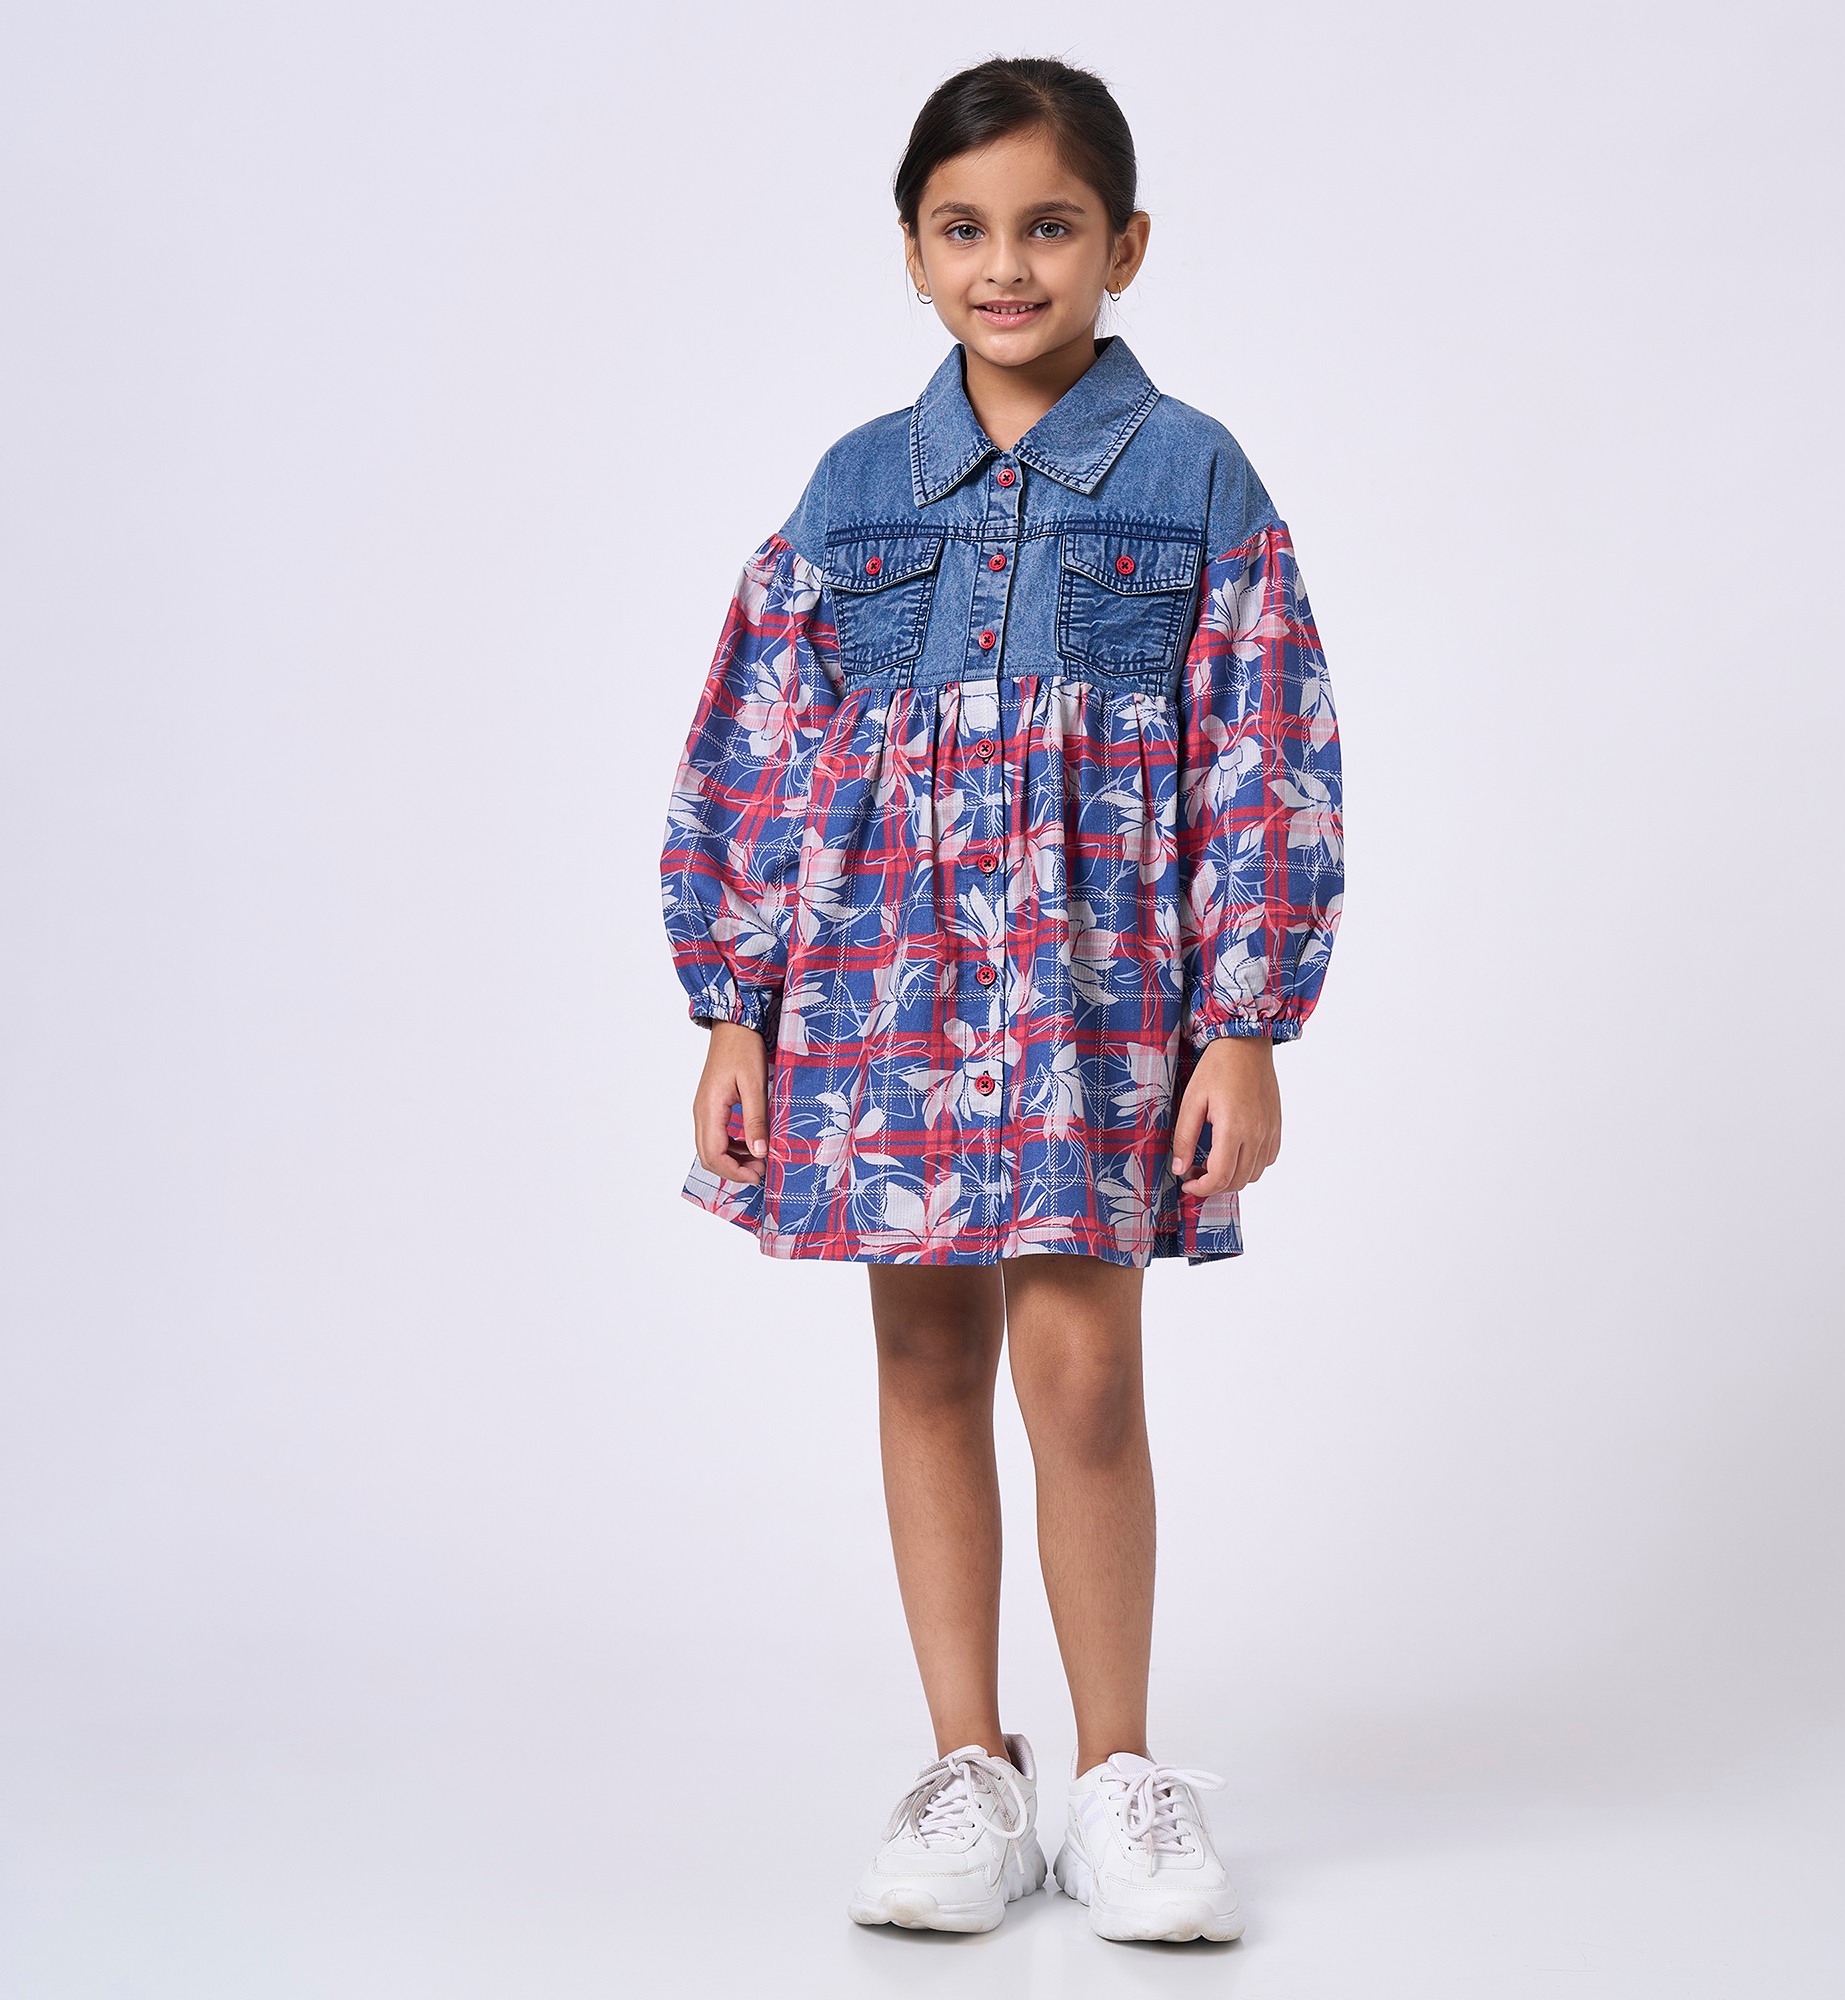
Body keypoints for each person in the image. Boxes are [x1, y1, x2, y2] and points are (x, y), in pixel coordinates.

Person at [658, 56, 1343, 1945]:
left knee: (1085, 1369)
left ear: (1126, 243)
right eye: (963, 229)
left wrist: (1245, 1018)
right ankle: (969, 1765)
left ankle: (1121, 1777)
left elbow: (1265, 750)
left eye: (1049, 226)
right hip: (878, 985)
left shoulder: (1195, 475)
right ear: (911, 252)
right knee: (923, 1359)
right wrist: (734, 1003)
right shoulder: (851, 489)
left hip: (1097, 1001)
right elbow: (758, 746)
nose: (1007, 266)